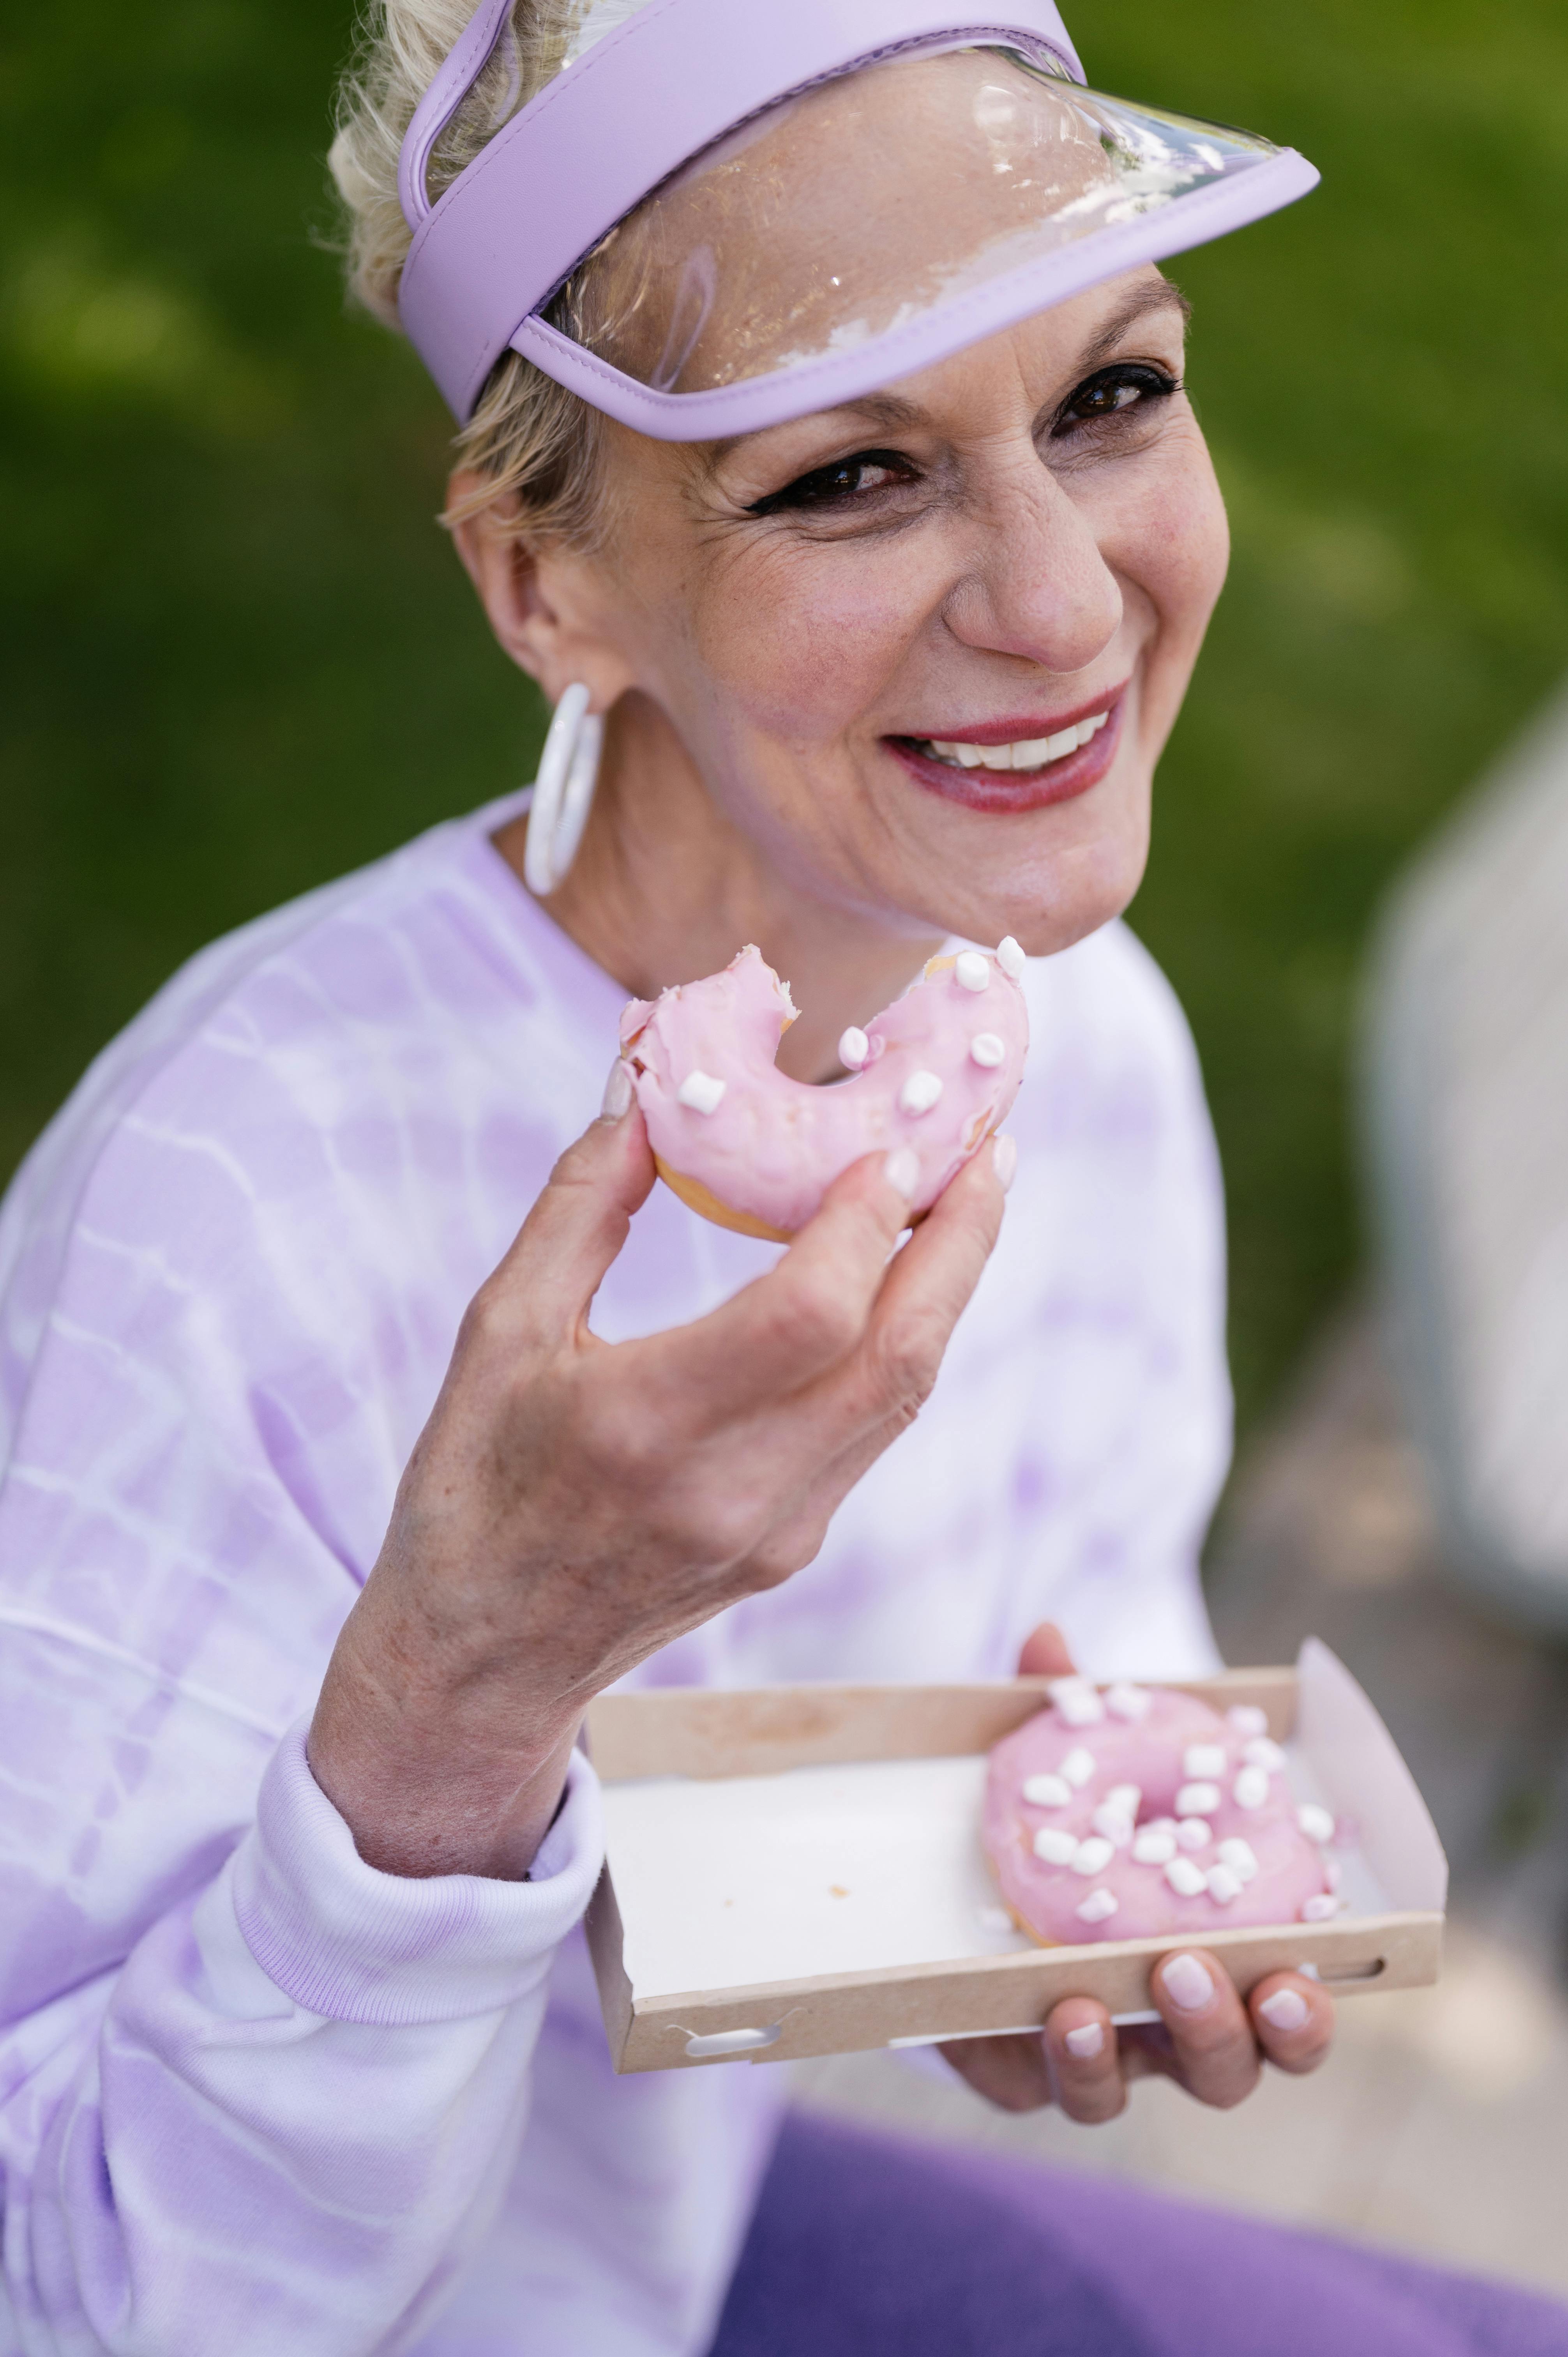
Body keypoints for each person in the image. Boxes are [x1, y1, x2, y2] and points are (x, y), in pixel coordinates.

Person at [2, 4, 1564, 2353]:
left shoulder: (1079, 1033)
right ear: (547, 585)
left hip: (682, 2249)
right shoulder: (237, 1201)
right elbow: (83, 2289)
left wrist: (1094, 1870)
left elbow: (1088, 1579)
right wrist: (476, 1670)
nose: (1061, 605)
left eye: (1108, 394)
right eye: (847, 474)